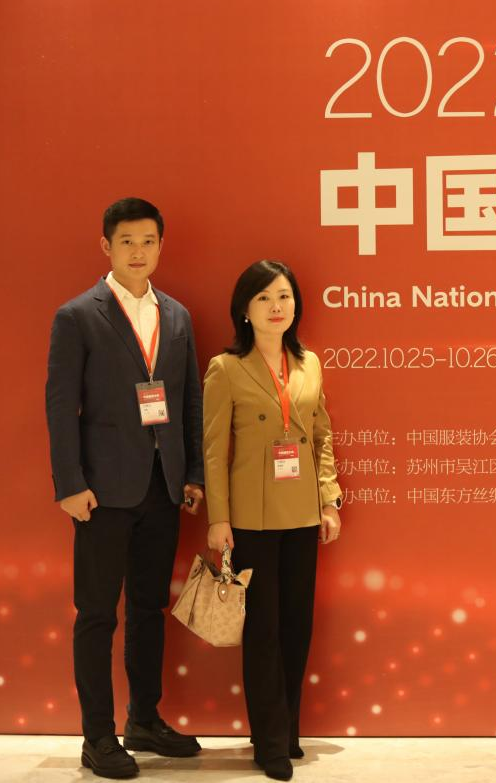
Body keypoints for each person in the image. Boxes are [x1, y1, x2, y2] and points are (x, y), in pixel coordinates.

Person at [46, 197, 205, 779]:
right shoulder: (77, 315)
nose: (139, 252)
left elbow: (189, 401)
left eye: (148, 241)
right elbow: (61, 407)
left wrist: (192, 475)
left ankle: (143, 719)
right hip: (101, 492)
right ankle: (97, 736)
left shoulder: (177, 316)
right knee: (96, 614)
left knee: (148, 608)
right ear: (107, 246)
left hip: (163, 488)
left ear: (161, 245)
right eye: (127, 242)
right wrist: (69, 483)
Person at [203, 260, 342, 781]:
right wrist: (219, 519)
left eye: (284, 296)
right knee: (263, 630)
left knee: (297, 626)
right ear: (245, 309)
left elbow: (322, 437)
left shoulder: (309, 363)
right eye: (263, 298)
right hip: (252, 518)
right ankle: (268, 742)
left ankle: (288, 731)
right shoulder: (225, 368)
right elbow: (214, 452)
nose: (276, 306)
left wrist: (329, 501)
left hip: (302, 511)